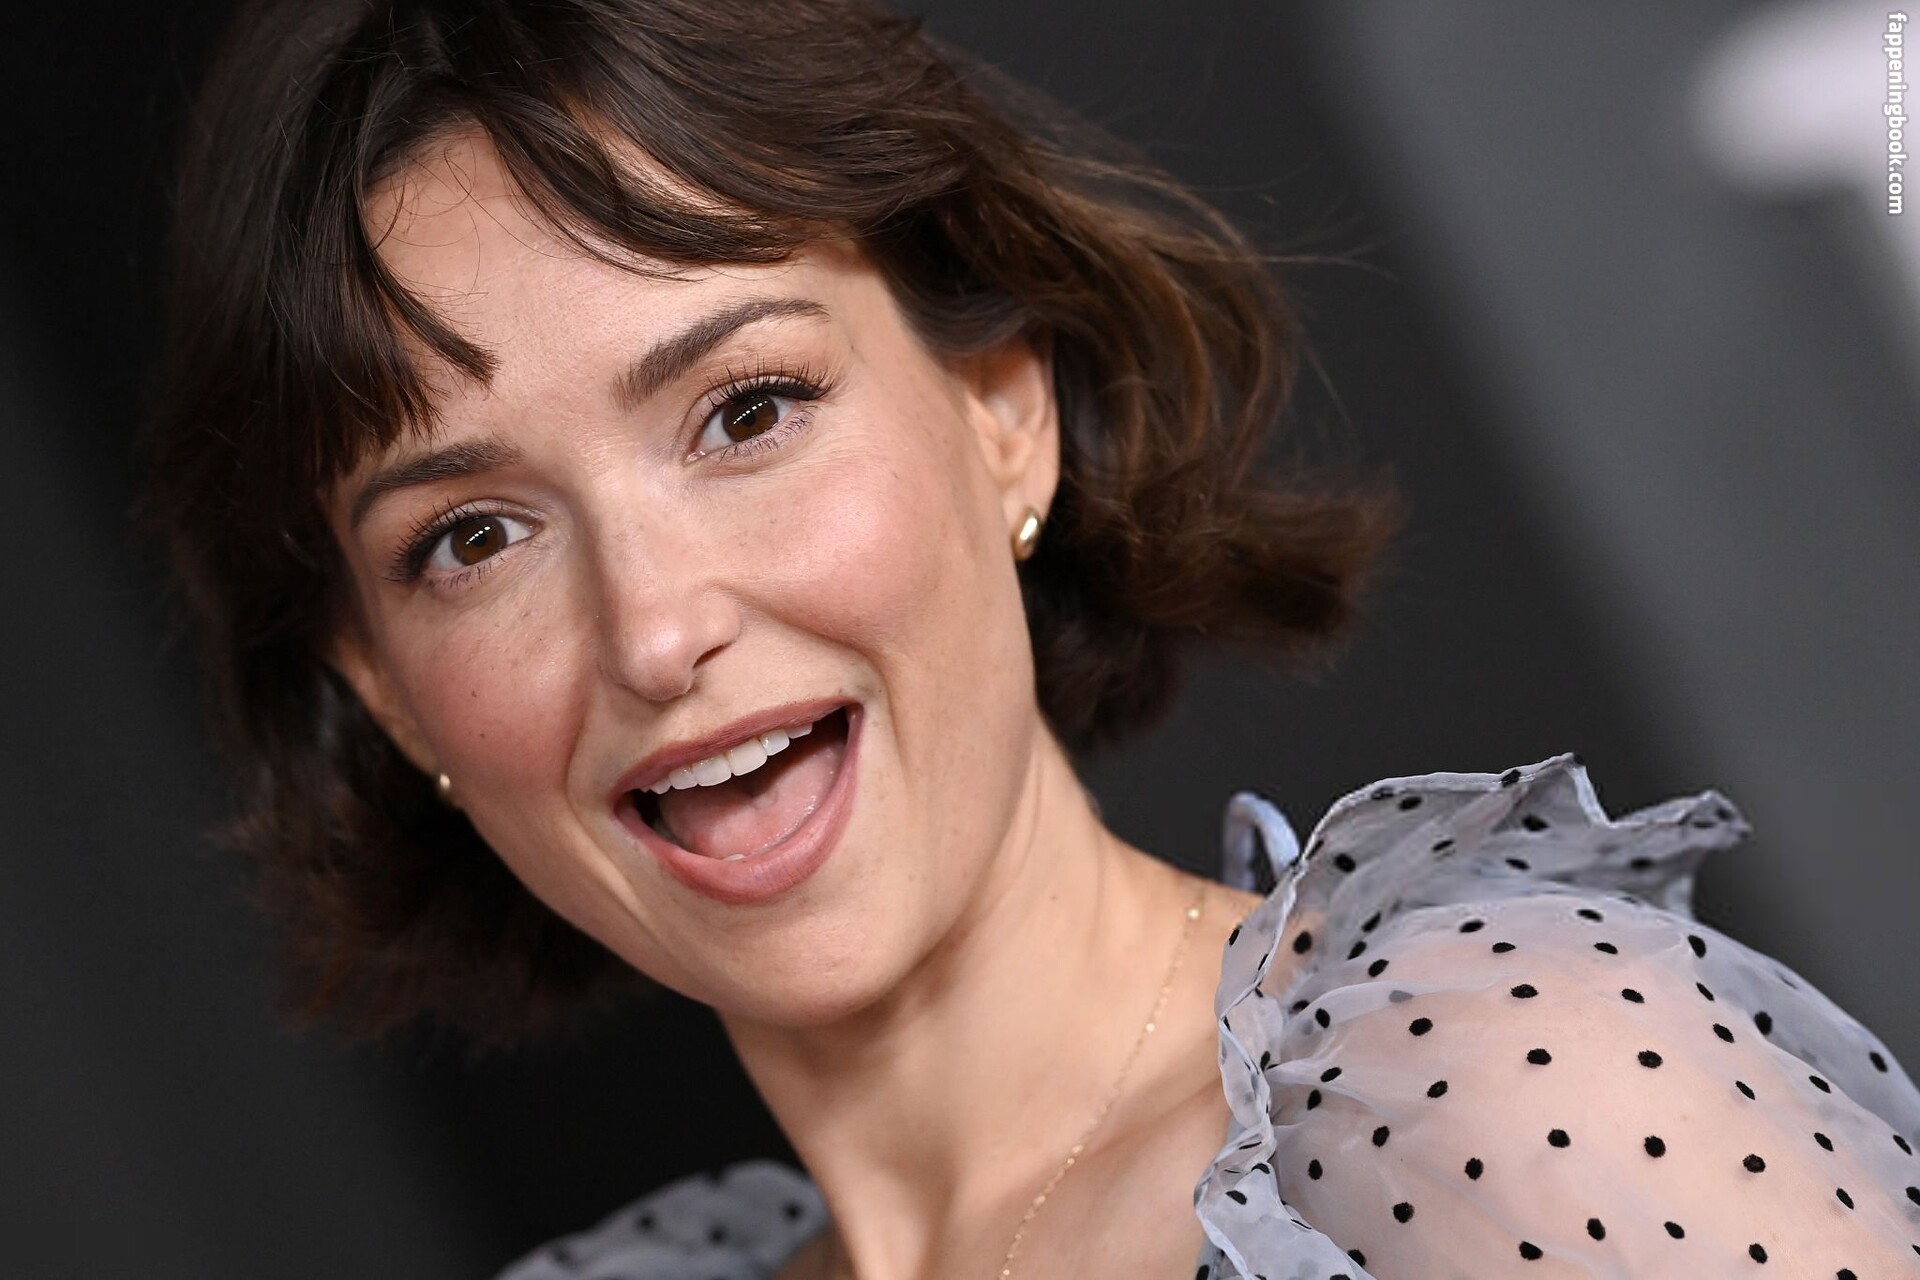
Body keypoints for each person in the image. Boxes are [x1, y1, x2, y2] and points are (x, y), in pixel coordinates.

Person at [144, 1, 1920, 1277]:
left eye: (747, 412)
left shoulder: (1505, 1095)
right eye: (471, 537)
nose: (658, 629)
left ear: (1004, 410)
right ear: (386, 692)